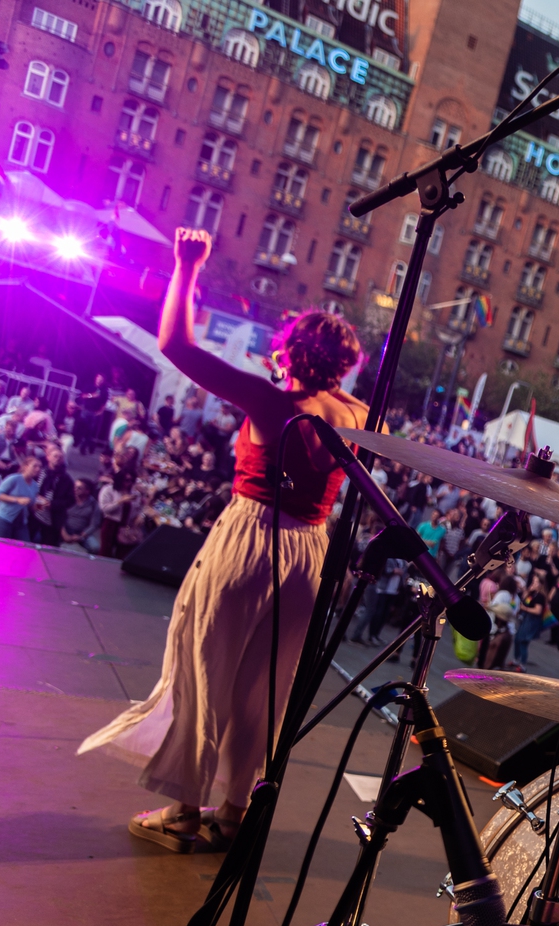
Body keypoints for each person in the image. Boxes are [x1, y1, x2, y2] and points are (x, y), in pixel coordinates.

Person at [79, 227, 368, 853]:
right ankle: (235, 812)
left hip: (250, 540)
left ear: (287, 350)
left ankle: (184, 813)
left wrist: (188, 267)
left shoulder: (271, 402)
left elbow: (175, 343)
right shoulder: (358, 414)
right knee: (267, 685)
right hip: (308, 557)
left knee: (202, 671)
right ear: (343, 365)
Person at [0, 456, 41, 541]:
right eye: (35, 466)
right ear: (25, 466)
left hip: (21, 522)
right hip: (4, 519)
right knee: (3, 548)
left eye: (40, 467)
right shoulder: (14, 478)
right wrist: (17, 500)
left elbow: (30, 505)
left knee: (25, 547)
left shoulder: (35, 486)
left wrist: (37, 506)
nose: (38, 469)